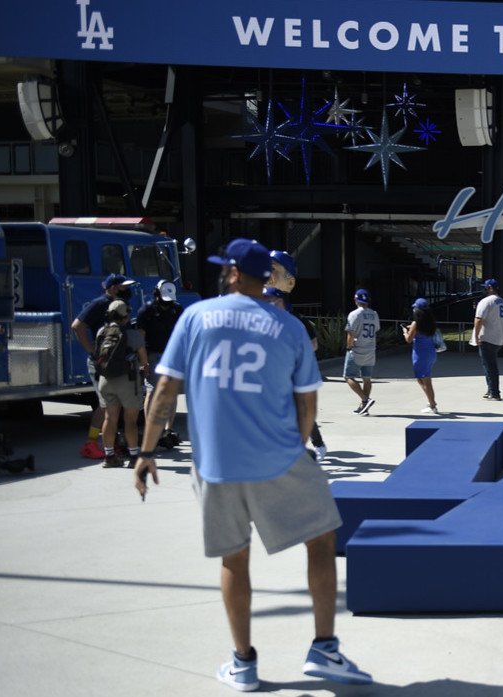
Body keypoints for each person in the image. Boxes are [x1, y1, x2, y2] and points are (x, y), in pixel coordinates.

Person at [133, 238, 372, 691]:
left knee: (234, 559)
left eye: (226, 268)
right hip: (278, 457)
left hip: (216, 465)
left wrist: (146, 452)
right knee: (321, 542)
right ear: (266, 277)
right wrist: (297, 451)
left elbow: (164, 391)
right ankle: (324, 648)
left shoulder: (195, 317)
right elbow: (307, 405)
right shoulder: (286, 326)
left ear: (234, 273)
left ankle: (243, 662)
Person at [71, 273, 136, 458]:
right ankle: (90, 443)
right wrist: (92, 351)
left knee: (113, 404)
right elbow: (77, 325)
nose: (128, 289)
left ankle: (112, 443)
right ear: (114, 287)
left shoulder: (121, 305)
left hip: (116, 362)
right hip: (101, 362)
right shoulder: (100, 304)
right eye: (124, 286)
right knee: (106, 406)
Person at [264, 286, 328, 460]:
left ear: (281, 301)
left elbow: (314, 344)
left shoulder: (297, 320)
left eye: (270, 300)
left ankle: (318, 444)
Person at [94, 300, 150, 467]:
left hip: (105, 380)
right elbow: (144, 360)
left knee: (110, 418)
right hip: (127, 380)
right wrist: (144, 369)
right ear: (126, 316)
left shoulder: (101, 331)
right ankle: (134, 457)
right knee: (130, 421)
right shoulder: (132, 335)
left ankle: (109, 456)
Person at [135, 280, 184, 449]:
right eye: (164, 300)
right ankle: (151, 429)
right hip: (153, 355)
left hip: (173, 356)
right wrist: (144, 362)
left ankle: (168, 430)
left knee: (172, 392)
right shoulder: (146, 311)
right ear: (156, 294)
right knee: (152, 390)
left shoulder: (177, 309)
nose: (166, 304)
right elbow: (140, 338)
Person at [344, 289, 379, 415]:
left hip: (357, 349)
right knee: (367, 379)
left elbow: (351, 334)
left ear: (356, 300)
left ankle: (365, 399)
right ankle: (364, 406)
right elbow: (376, 329)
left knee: (348, 376)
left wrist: (349, 347)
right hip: (370, 349)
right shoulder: (374, 314)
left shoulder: (354, 314)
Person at [473, 278, 503, 400]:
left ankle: (494, 392)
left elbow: (479, 319)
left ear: (490, 288)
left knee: (490, 366)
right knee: (489, 364)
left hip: (488, 337)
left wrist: (476, 336)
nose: (484, 290)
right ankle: (490, 389)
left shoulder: (486, 301)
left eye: (485, 288)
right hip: (499, 337)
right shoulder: (501, 301)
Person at [403, 297, 440, 413]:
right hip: (430, 352)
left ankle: (432, 404)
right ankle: (431, 402)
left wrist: (405, 332)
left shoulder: (416, 323)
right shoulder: (430, 322)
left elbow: (409, 339)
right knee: (424, 378)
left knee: (424, 380)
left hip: (420, 353)